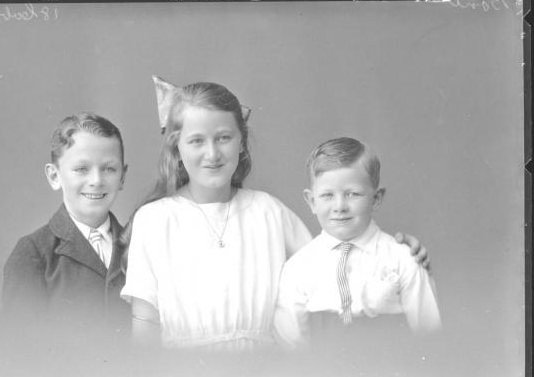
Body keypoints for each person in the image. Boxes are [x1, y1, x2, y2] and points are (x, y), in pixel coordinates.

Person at [120, 77, 430, 351]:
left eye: (224, 138)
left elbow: (334, 267)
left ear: (241, 143)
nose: (212, 154)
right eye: (197, 141)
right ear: (177, 148)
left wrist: (397, 256)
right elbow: (144, 324)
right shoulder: (155, 220)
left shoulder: (268, 212)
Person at [273, 137, 441, 350]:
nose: (340, 206)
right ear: (312, 201)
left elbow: (430, 335)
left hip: (395, 373)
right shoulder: (298, 268)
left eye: (352, 194)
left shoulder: (404, 258)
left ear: (376, 198)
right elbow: (291, 344)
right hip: (321, 376)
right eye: (327, 195)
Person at [2, 113, 130, 338]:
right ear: (54, 176)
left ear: (122, 177)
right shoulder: (33, 253)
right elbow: (20, 351)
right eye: (81, 169)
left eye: (109, 168)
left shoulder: (141, 242)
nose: (96, 180)